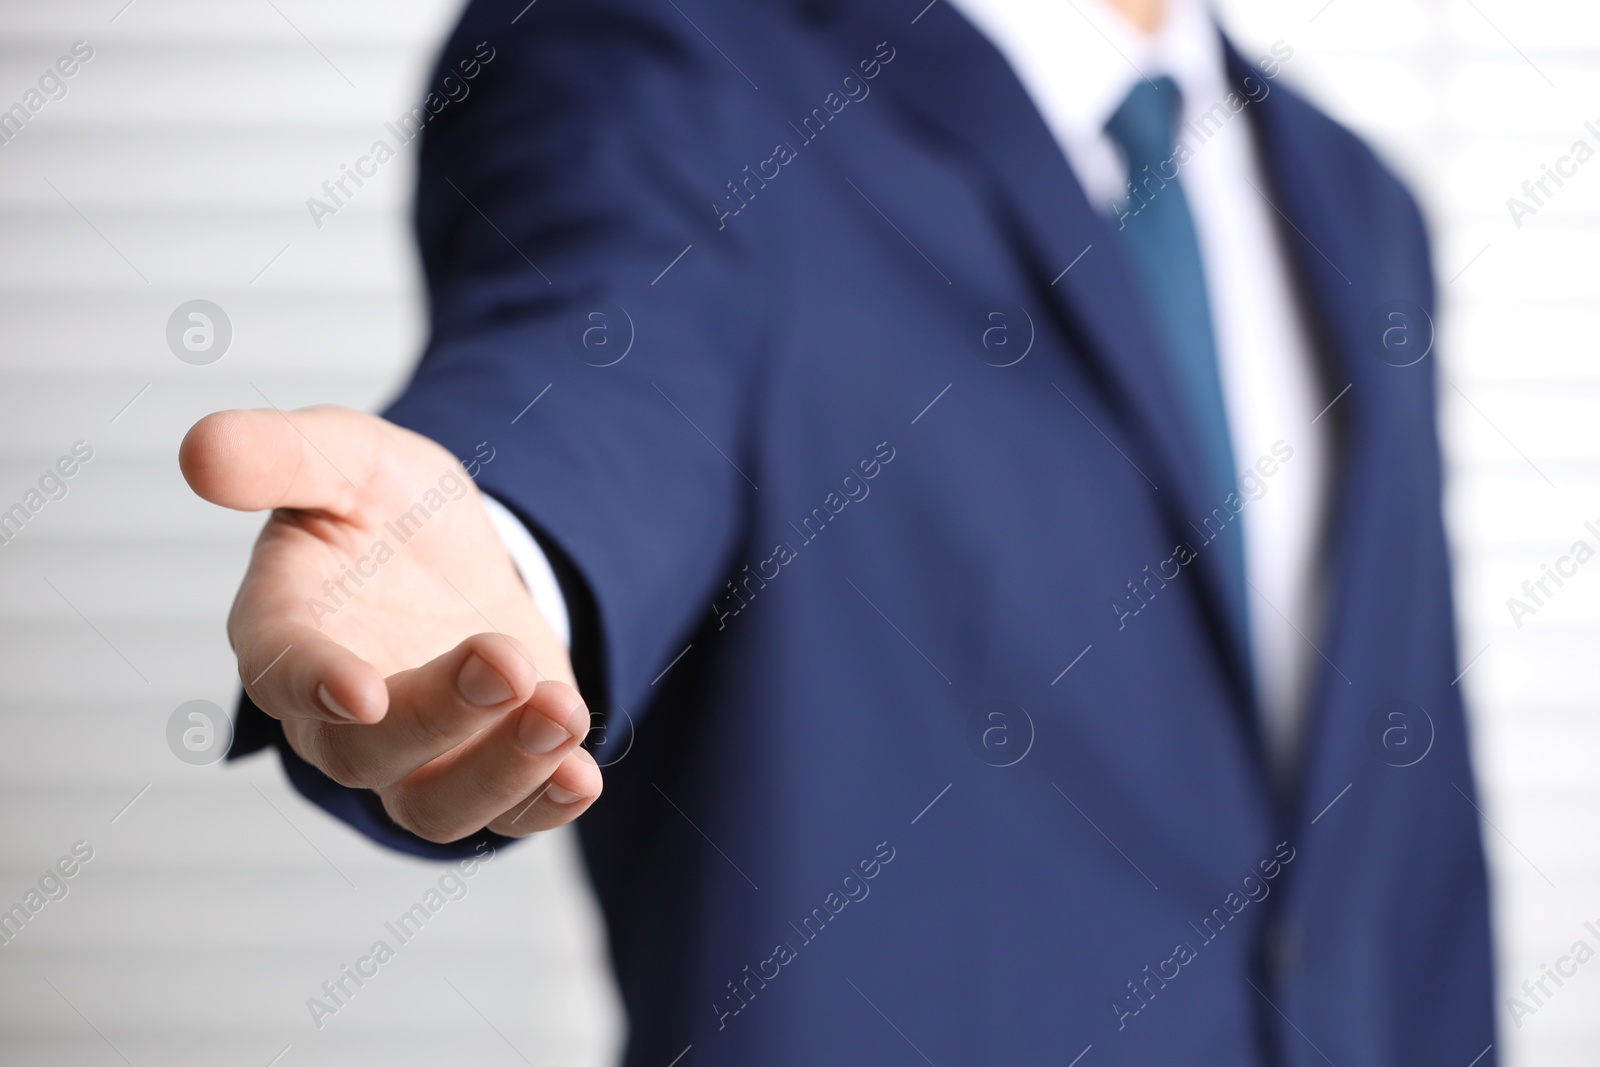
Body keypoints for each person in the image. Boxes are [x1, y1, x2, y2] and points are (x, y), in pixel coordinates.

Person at [179, 0, 1495, 1062]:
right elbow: (606, 352)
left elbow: (1401, 822)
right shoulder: (667, 61)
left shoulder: (1359, 203)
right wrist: (510, 561)